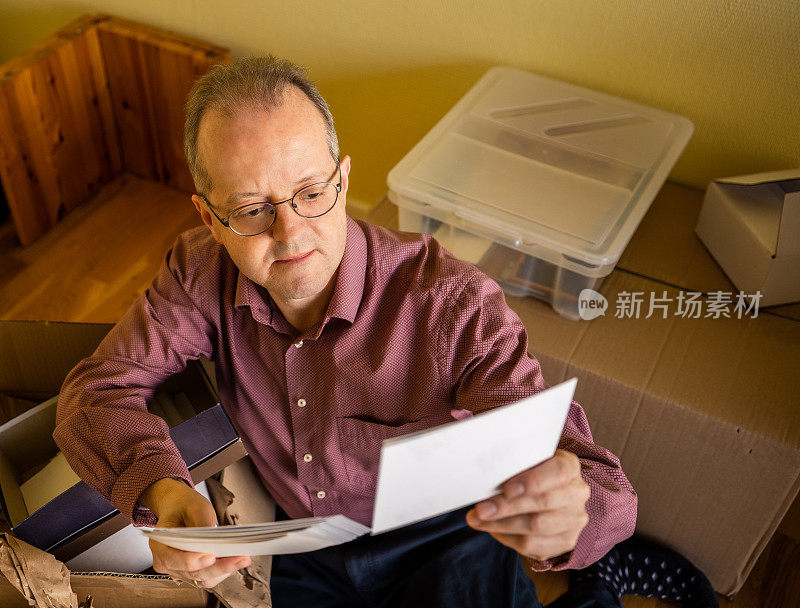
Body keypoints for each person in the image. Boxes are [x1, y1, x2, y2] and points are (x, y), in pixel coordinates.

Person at [54, 56, 705, 608]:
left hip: (446, 534)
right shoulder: (199, 272)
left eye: (311, 192)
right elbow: (96, 391)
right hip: (299, 538)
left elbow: (597, 482)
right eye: (252, 210)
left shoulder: (451, 303)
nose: (291, 233)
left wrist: (572, 512)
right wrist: (160, 489)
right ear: (210, 217)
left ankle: (597, 584)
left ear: (342, 180)